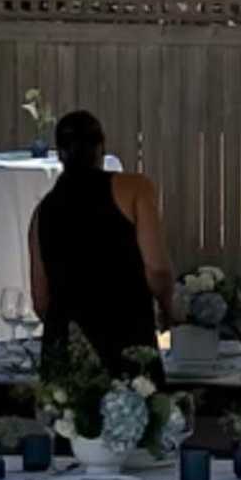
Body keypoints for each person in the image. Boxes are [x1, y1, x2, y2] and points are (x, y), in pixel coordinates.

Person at [31, 107, 169, 370]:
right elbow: (157, 269)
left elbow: (41, 299)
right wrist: (168, 307)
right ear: (101, 148)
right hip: (127, 335)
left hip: (67, 350)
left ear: (59, 154)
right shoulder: (134, 188)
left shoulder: (43, 211)